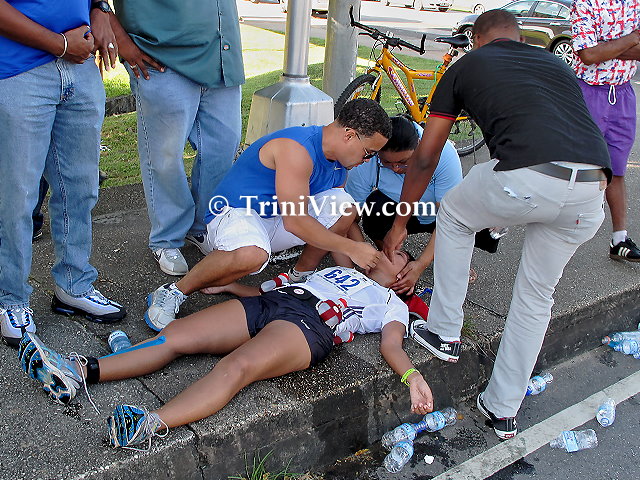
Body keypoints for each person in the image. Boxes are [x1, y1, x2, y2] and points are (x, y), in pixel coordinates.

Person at [383, 10, 610, 439]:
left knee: (453, 213)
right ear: (519, 38)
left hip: (527, 176)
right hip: (591, 189)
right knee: (536, 297)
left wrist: (400, 222)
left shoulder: (467, 64)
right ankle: (502, 408)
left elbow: (426, 156)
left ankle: (443, 330)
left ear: (476, 40)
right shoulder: (556, 64)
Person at [18, 249, 433, 450]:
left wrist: (412, 378)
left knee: (237, 367)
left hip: (310, 326)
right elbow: (273, 288)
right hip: (274, 302)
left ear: (403, 275)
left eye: (397, 256)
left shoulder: (392, 304)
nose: (386, 252)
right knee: (175, 335)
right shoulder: (343, 268)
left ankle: (149, 424)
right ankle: (78, 372)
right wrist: (232, 287)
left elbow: (391, 345)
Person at [143, 99, 391, 332]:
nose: (367, 161)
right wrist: (352, 248)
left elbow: (338, 221)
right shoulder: (297, 149)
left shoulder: (339, 163)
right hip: (236, 214)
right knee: (253, 255)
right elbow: (296, 222)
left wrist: (358, 271)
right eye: (368, 153)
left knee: (345, 207)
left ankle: (298, 277)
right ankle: (173, 291)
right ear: (349, 135)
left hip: (274, 221)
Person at [0, 0, 126, 347]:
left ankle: (74, 285)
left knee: (80, 188)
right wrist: (61, 44)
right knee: (18, 196)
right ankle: (11, 299)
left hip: (79, 69)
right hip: (18, 70)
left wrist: (100, 8)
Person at [106, 0, 245, 276]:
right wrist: (121, 40)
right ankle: (166, 238)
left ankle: (203, 227)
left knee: (223, 147)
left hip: (221, 55)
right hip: (161, 58)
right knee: (165, 155)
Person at [345, 115, 499, 294]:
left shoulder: (444, 154)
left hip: (439, 210)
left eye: (403, 162)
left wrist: (421, 264)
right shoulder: (367, 160)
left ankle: (455, 257)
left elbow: (450, 217)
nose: (396, 169)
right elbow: (348, 214)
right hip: (404, 210)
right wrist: (362, 251)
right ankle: (389, 253)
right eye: (387, 163)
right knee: (374, 208)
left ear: (419, 145)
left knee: (472, 218)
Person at [571, 0, 640, 262]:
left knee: (616, 168)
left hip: (623, 93)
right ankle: (561, 234)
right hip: (588, 92)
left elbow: (596, 51)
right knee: (578, 165)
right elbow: (588, 55)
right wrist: (631, 39)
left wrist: (606, 46)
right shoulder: (585, 3)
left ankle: (619, 240)